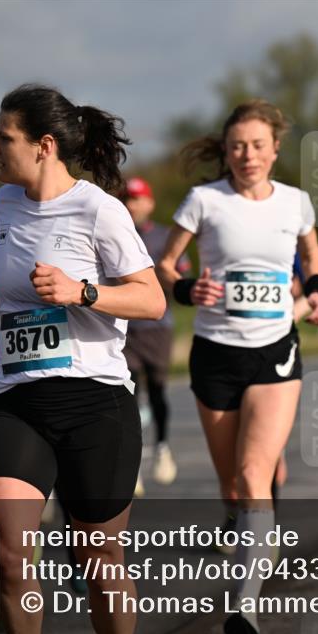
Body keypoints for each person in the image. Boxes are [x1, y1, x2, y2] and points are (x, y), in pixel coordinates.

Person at [0, 84, 165, 634]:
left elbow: (152, 301)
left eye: (4, 136)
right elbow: (10, 284)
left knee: (99, 559)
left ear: (44, 146)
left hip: (94, 402)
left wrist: (82, 291)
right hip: (15, 398)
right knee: (11, 552)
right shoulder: (7, 204)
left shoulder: (100, 209)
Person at [157, 99, 318, 634]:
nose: (247, 155)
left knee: (256, 473)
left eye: (257, 145)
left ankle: (244, 605)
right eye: (237, 146)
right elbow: (162, 267)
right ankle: (250, 526)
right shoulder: (204, 201)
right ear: (225, 151)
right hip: (214, 353)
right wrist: (186, 288)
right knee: (233, 484)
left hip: (275, 351)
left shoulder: (296, 203)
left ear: (275, 150)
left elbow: (314, 260)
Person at [120, 176, 189, 487]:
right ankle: (131, 460)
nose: (132, 205)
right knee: (128, 392)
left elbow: (180, 272)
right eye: (127, 199)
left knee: (158, 389)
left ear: (149, 203)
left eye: (137, 199)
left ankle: (161, 446)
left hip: (157, 327)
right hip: (123, 327)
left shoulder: (163, 237)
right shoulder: (114, 232)